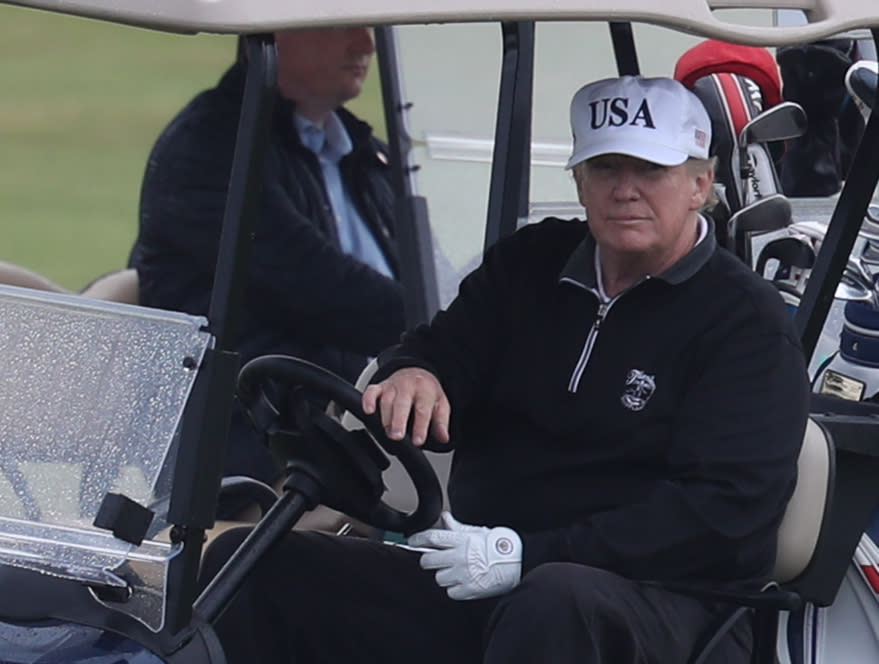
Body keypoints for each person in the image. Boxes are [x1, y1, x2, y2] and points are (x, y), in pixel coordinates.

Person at [199, 76, 810, 663]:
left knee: (553, 603)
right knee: (248, 564)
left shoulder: (744, 322)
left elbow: (722, 516)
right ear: (579, 181)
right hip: (483, 571)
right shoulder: (532, 263)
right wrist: (417, 372)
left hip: (666, 601)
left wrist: (530, 555)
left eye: (651, 170)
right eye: (605, 168)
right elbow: (445, 350)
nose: (626, 189)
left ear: (700, 183)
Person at [127, 28, 406, 504]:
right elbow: (324, 292)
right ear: (278, 26)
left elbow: (430, 275)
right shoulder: (214, 150)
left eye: (370, 24)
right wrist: (456, 330)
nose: (366, 44)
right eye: (343, 23)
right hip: (255, 457)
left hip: (354, 430)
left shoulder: (362, 154)